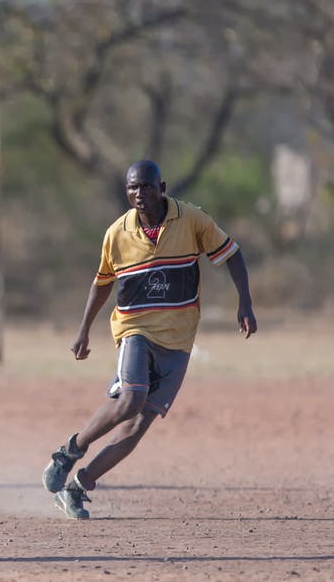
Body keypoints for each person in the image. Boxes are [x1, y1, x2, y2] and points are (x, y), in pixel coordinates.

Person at [41, 160, 257, 519]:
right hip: (134, 328)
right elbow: (102, 283)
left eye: (146, 186)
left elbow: (232, 255)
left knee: (139, 425)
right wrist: (84, 330)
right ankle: (69, 452)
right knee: (131, 400)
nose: (139, 194)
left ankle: (78, 487)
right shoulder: (117, 233)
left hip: (179, 338)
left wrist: (245, 303)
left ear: (162, 187)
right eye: (132, 188)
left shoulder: (192, 220)